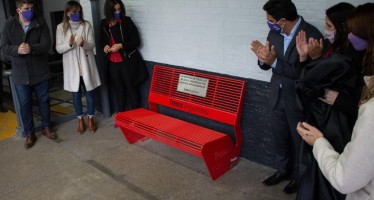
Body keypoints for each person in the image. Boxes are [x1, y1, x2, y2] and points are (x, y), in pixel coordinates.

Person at [297, 3, 374, 200]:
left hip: (338, 128)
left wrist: (319, 143)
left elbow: (345, 177)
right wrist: (310, 58)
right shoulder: (333, 49)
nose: (349, 36)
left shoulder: (351, 59)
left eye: (330, 26)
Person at [250, 0, 322, 193]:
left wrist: (273, 62)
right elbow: (267, 63)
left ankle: (300, 178)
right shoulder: (274, 33)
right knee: (278, 136)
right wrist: (262, 58)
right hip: (276, 95)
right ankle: (283, 170)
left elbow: (306, 73)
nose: (269, 24)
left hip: (298, 99)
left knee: (299, 141)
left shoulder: (312, 35)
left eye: (271, 20)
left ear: (282, 20)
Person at [0, 0, 57, 148]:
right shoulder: (9, 25)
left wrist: (32, 48)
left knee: (44, 100)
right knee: (25, 104)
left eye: (31, 8)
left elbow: (47, 45)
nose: (30, 11)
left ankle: (46, 127)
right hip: (21, 73)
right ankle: (29, 133)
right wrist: (17, 50)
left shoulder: (41, 22)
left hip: (40, 71)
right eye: (26, 8)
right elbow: (4, 47)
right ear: (18, 10)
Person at [56, 1, 101, 134]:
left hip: (86, 65)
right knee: (75, 95)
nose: (76, 14)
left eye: (78, 12)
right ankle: (80, 119)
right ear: (67, 13)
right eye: (73, 12)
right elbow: (58, 49)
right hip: (72, 67)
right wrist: (69, 44)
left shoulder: (86, 25)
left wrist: (84, 43)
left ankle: (91, 118)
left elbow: (92, 45)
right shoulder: (61, 27)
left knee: (90, 93)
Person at [100, 0, 148, 113]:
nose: (117, 12)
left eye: (119, 9)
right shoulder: (104, 24)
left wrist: (121, 45)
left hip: (127, 61)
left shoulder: (126, 21)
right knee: (119, 90)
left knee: (131, 88)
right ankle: (121, 117)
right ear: (109, 11)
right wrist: (105, 48)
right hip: (112, 63)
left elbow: (136, 41)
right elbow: (102, 42)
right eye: (115, 10)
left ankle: (136, 117)